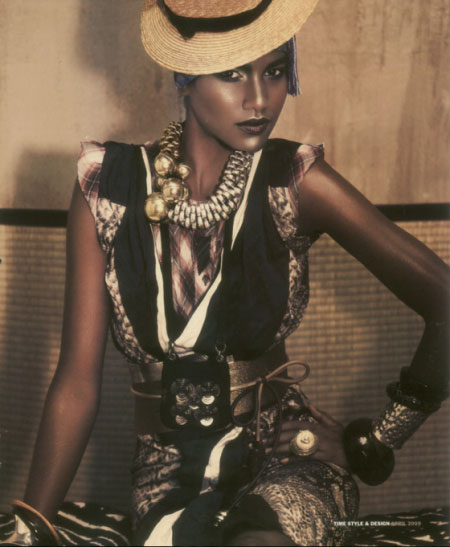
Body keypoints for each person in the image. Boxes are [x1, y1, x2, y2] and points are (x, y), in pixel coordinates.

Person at [2, 1, 449, 545]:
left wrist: (374, 442)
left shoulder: (294, 180)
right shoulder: (107, 187)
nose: (260, 99)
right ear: (185, 79)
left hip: (286, 462)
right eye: (233, 74)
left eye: (275, 71)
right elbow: (76, 384)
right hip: (167, 476)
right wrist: (32, 526)